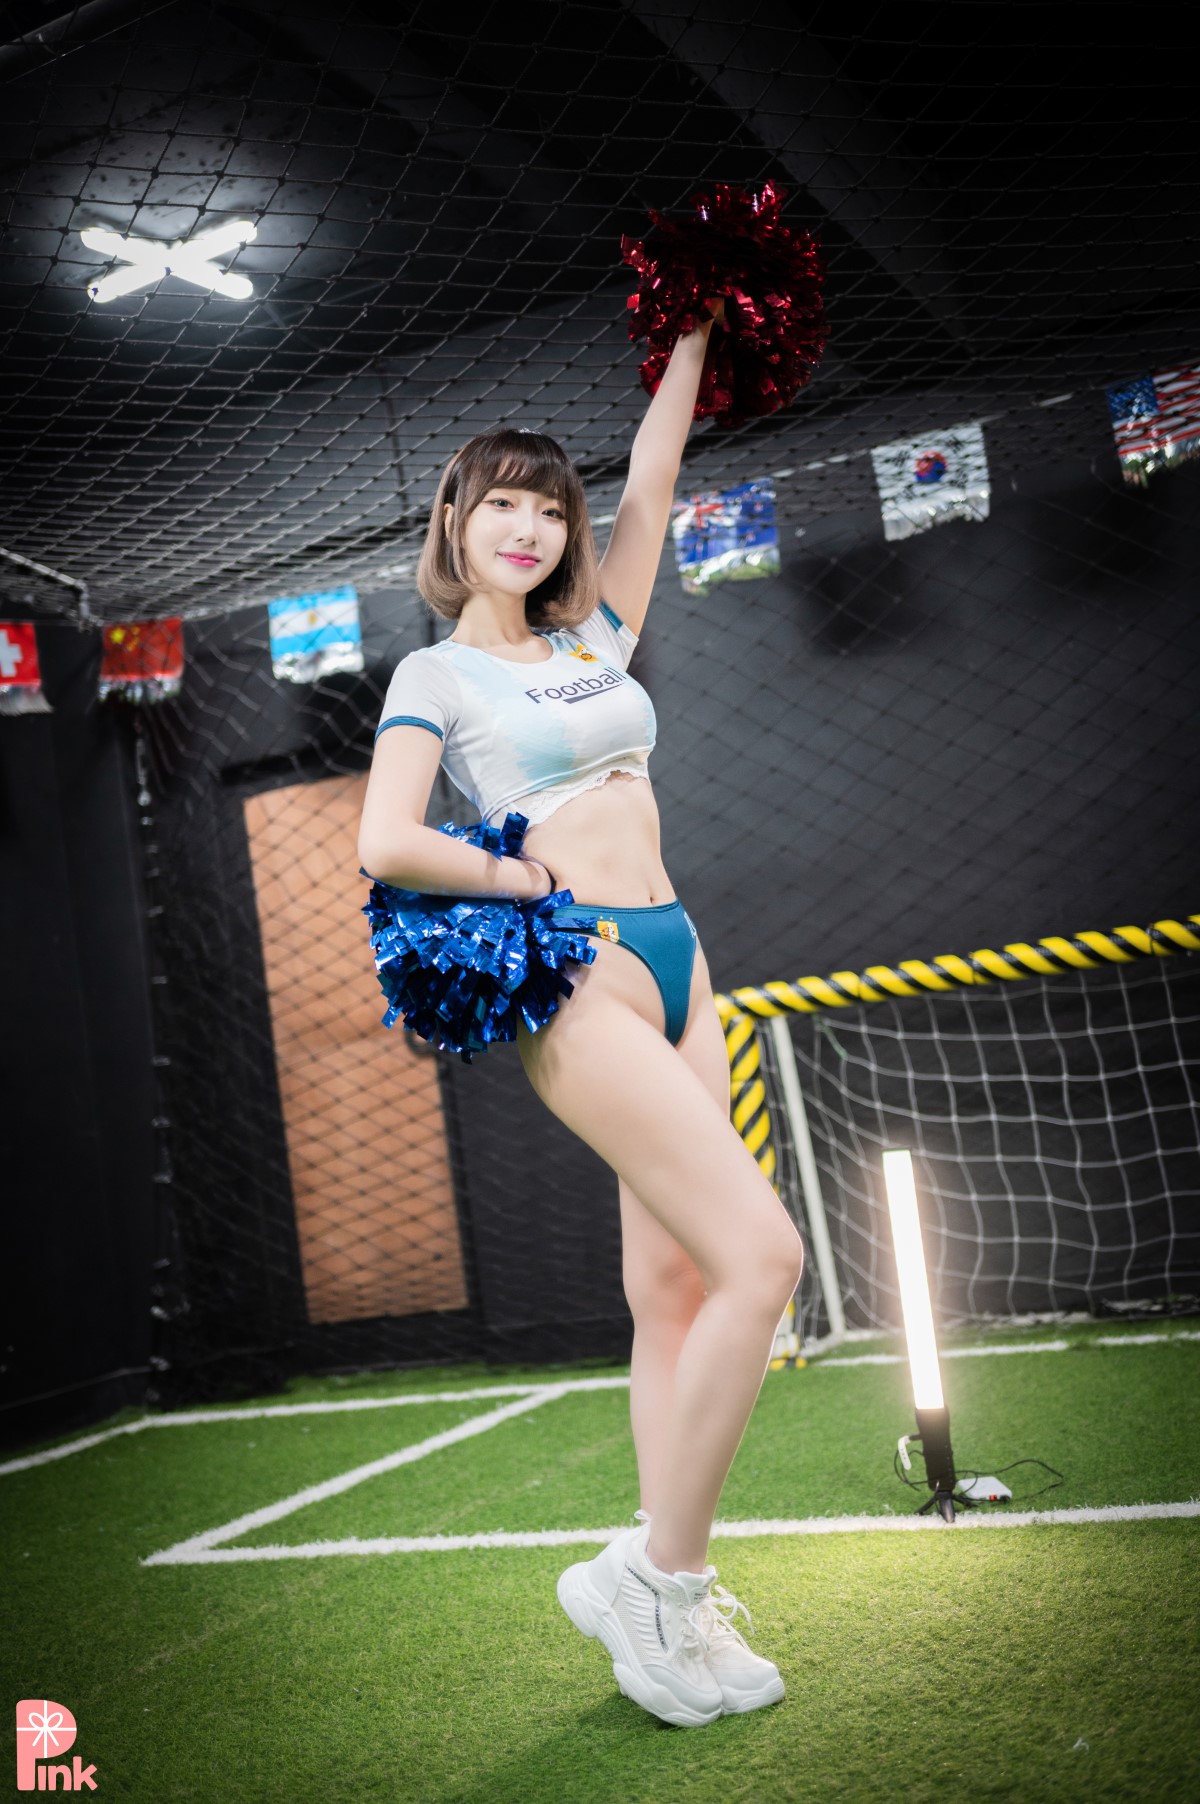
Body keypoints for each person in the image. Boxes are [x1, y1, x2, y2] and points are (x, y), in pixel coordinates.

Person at [357, 305, 805, 1728]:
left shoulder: (598, 638)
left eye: (550, 509)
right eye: (503, 504)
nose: (531, 527)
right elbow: (383, 838)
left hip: (682, 956)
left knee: (672, 1288)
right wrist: (513, 873)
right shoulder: (437, 675)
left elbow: (653, 488)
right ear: (455, 520)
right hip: (584, 970)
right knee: (765, 1257)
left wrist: (691, 349)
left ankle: (670, 1603)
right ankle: (657, 1580)